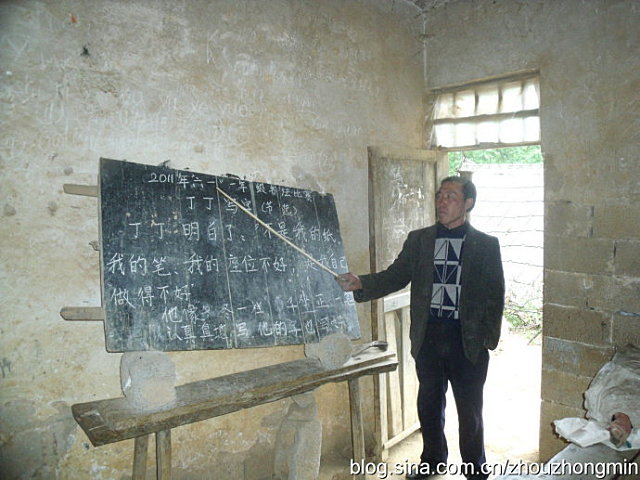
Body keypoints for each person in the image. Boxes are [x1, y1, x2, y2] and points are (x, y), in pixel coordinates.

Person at [336, 176, 504, 480]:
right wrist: (361, 283)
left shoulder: (485, 245)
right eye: (440, 195)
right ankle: (433, 461)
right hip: (429, 337)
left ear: (468, 204)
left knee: (470, 411)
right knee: (429, 404)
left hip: (467, 341)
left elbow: (496, 295)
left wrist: (487, 340)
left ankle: (475, 469)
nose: (442, 201)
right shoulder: (420, 240)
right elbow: (395, 276)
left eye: (451, 196)